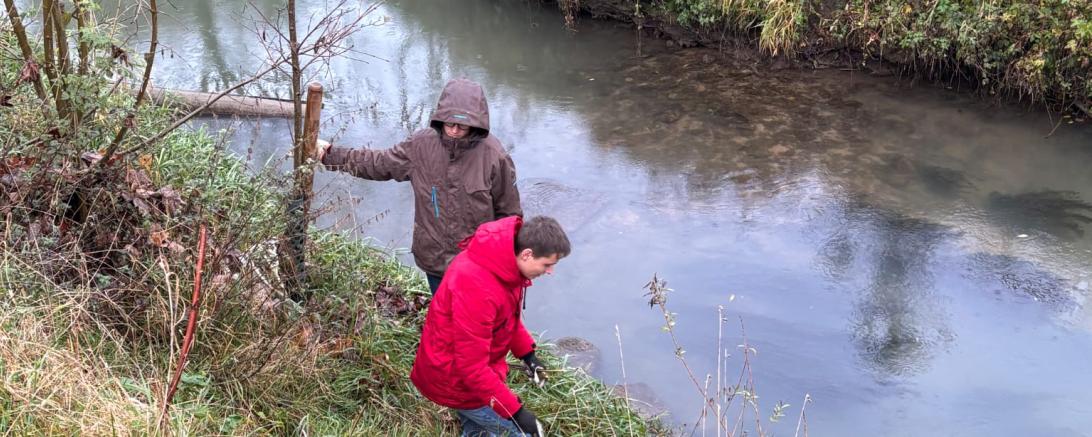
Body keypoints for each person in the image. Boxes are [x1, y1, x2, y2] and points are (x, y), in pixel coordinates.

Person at [316, 78, 522, 294]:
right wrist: (330, 155)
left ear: (476, 124)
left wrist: (505, 264)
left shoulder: (494, 157)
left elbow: (510, 216)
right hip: (434, 259)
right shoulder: (420, 146)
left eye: (462, 126)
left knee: (472, 322)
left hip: (476, 266)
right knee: (442, 315)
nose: (453, 131)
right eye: (449, 123)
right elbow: (379, 163)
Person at [410, 215, 570, 436]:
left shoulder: (505, 267)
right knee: (519, 434)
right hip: (456, 382)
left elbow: (507, 320)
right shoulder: (477, 288)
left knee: (478, 432)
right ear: (527, 254)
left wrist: (528, 356)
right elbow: (472, 369)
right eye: (547, 264)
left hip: (469, 377)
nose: (550, 271)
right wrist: (516, 413)